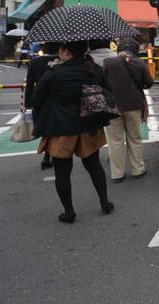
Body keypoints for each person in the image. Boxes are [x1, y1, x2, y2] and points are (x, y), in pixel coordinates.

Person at [30, 40, 114, 223]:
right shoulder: (93, 70)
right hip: (89, 125)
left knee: (62, 172)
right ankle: (105, 202)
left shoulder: (54, 73)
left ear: (66, 51)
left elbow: (35, 100)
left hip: (61, 129)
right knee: (93, 166)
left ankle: (69, 212)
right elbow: (108, 91)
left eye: (60, 49)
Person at [103, 38, 153, 182]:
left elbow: (101, 81)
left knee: (115, 141)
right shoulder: (139, 63)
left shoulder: (108, 62)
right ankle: (138, 169)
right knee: (134, 138)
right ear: (135, 50)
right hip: (134, 105)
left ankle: (117, 174)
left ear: (119, 49)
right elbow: (149, 83)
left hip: (112, 107)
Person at [24, 42, 59, 170]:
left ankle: (47, 156)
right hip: (57, 99)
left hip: (40, 100)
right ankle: (53, 156)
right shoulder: (60, 61)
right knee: (56, 129)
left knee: (46, 130)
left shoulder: (35, 63)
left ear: (43, 49)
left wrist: (27, 102)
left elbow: (29, 85)